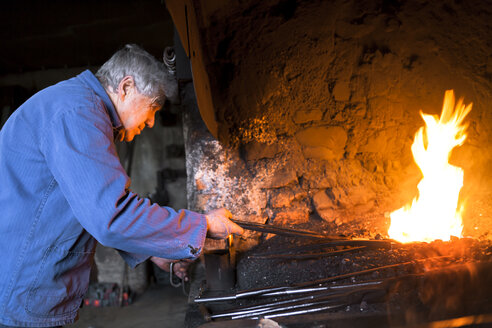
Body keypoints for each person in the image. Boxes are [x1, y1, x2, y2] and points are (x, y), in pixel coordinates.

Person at [0, 44, 243, 327]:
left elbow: (90, 204)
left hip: (22, 281)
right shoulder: (78, 114)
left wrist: (151, 250)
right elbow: (112, 215)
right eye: (152, 107)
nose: (151, 121)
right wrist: (201, 226)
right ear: (126, 87)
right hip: (19, 284)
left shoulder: (77, 106)